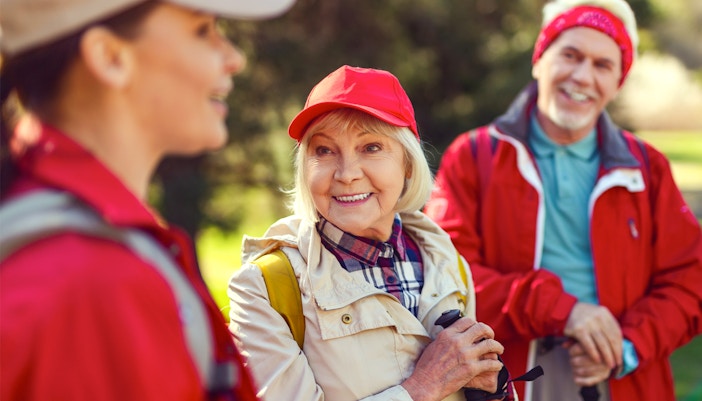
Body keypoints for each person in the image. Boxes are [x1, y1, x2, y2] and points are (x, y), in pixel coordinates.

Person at [0, 0, 295, 400]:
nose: (234, 58)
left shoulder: (60, 233)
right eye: (203, 30)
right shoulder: (95, 285)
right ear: (110, 57)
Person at [423, 0, 702, 400]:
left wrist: (625, 346)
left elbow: (689, 283)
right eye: (570, 55)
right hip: (514, 375)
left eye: (602, 65)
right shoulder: (474, 156)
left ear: (617, 82)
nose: (582, 76)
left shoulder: (647, 168)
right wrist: (563, 310)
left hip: (624, 376)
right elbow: (447, 276)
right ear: (540, 59)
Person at [227, 65, 511, 401]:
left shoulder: (448, 263)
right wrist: (423, 388)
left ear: (407, 164)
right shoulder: (265, 287)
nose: (346, 174)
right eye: (324, 150)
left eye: (371, 147)